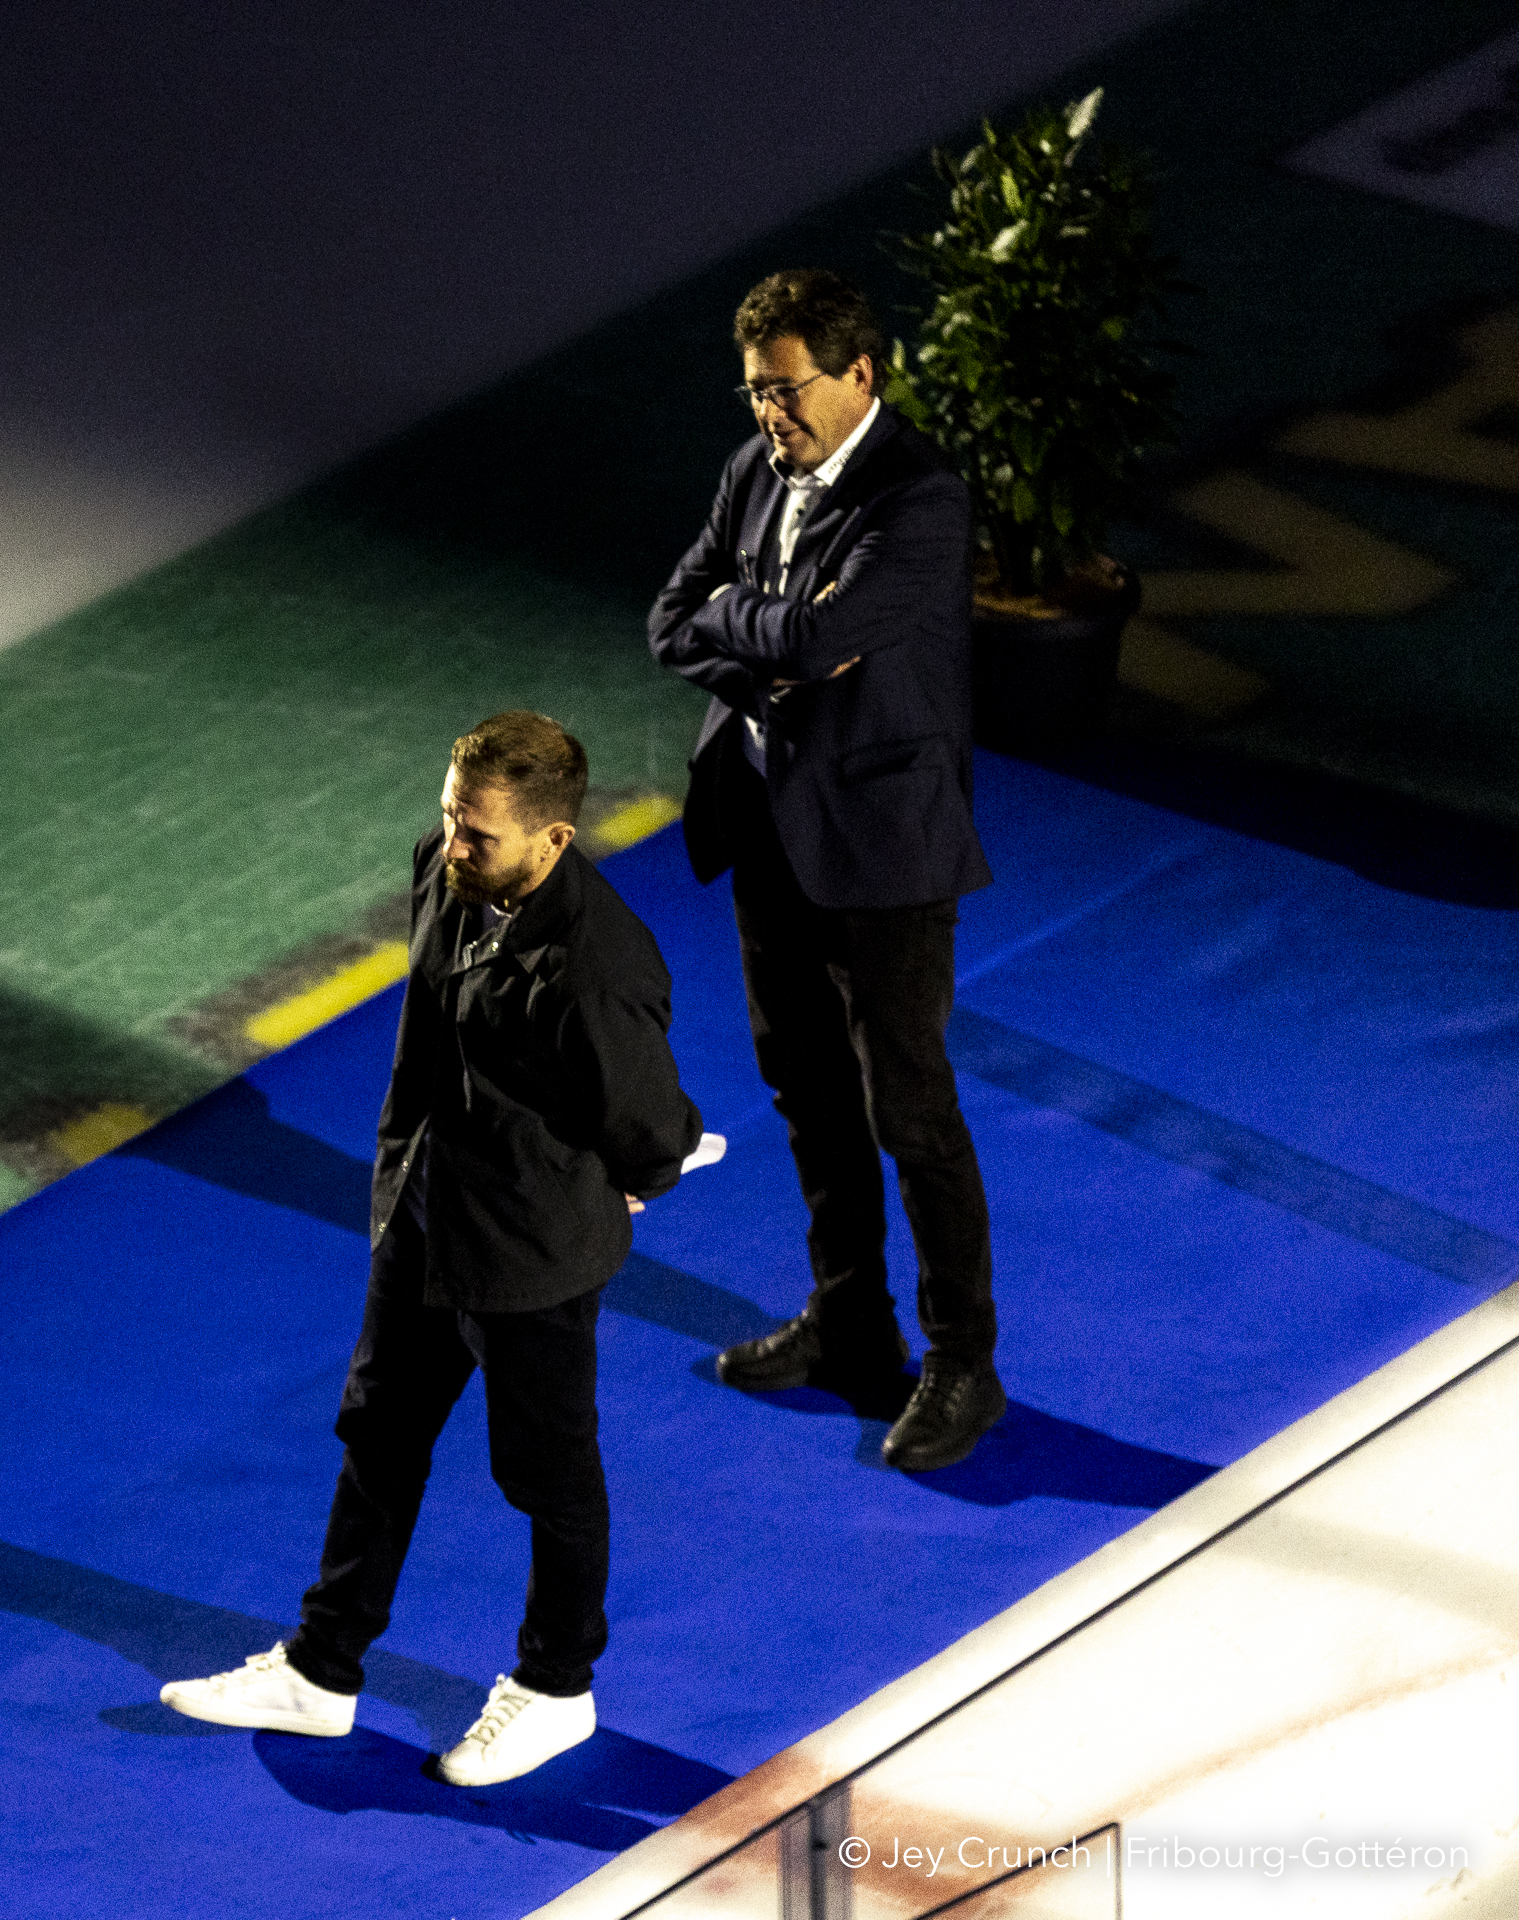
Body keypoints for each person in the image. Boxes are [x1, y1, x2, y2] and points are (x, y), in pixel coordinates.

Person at [160, 713, 702, 1785]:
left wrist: (635, 1177)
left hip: (530, 1252)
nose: (454, 844)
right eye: (451, 816)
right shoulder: (442, 871)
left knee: (547, 1475)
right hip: (425, 1215)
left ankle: (558, 1687)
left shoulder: (597, 966)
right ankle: (322, 1669)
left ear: (553, 839)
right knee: (381, 1433)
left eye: (479, 834)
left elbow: (647, 1122)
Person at [644, 267, 1005, 1471]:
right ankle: (853, 1319)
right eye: (755, 391)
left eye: (787, 389)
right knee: (804, 1084)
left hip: (886, 846)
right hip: (768, 825)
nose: (770, 412)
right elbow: (672, 619)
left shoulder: (922, 498)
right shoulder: (753, 472)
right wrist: (772, 646)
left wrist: (759, 627)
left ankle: (963, 1363)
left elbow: (821, 633)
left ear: (860, 373)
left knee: (911, 1107)